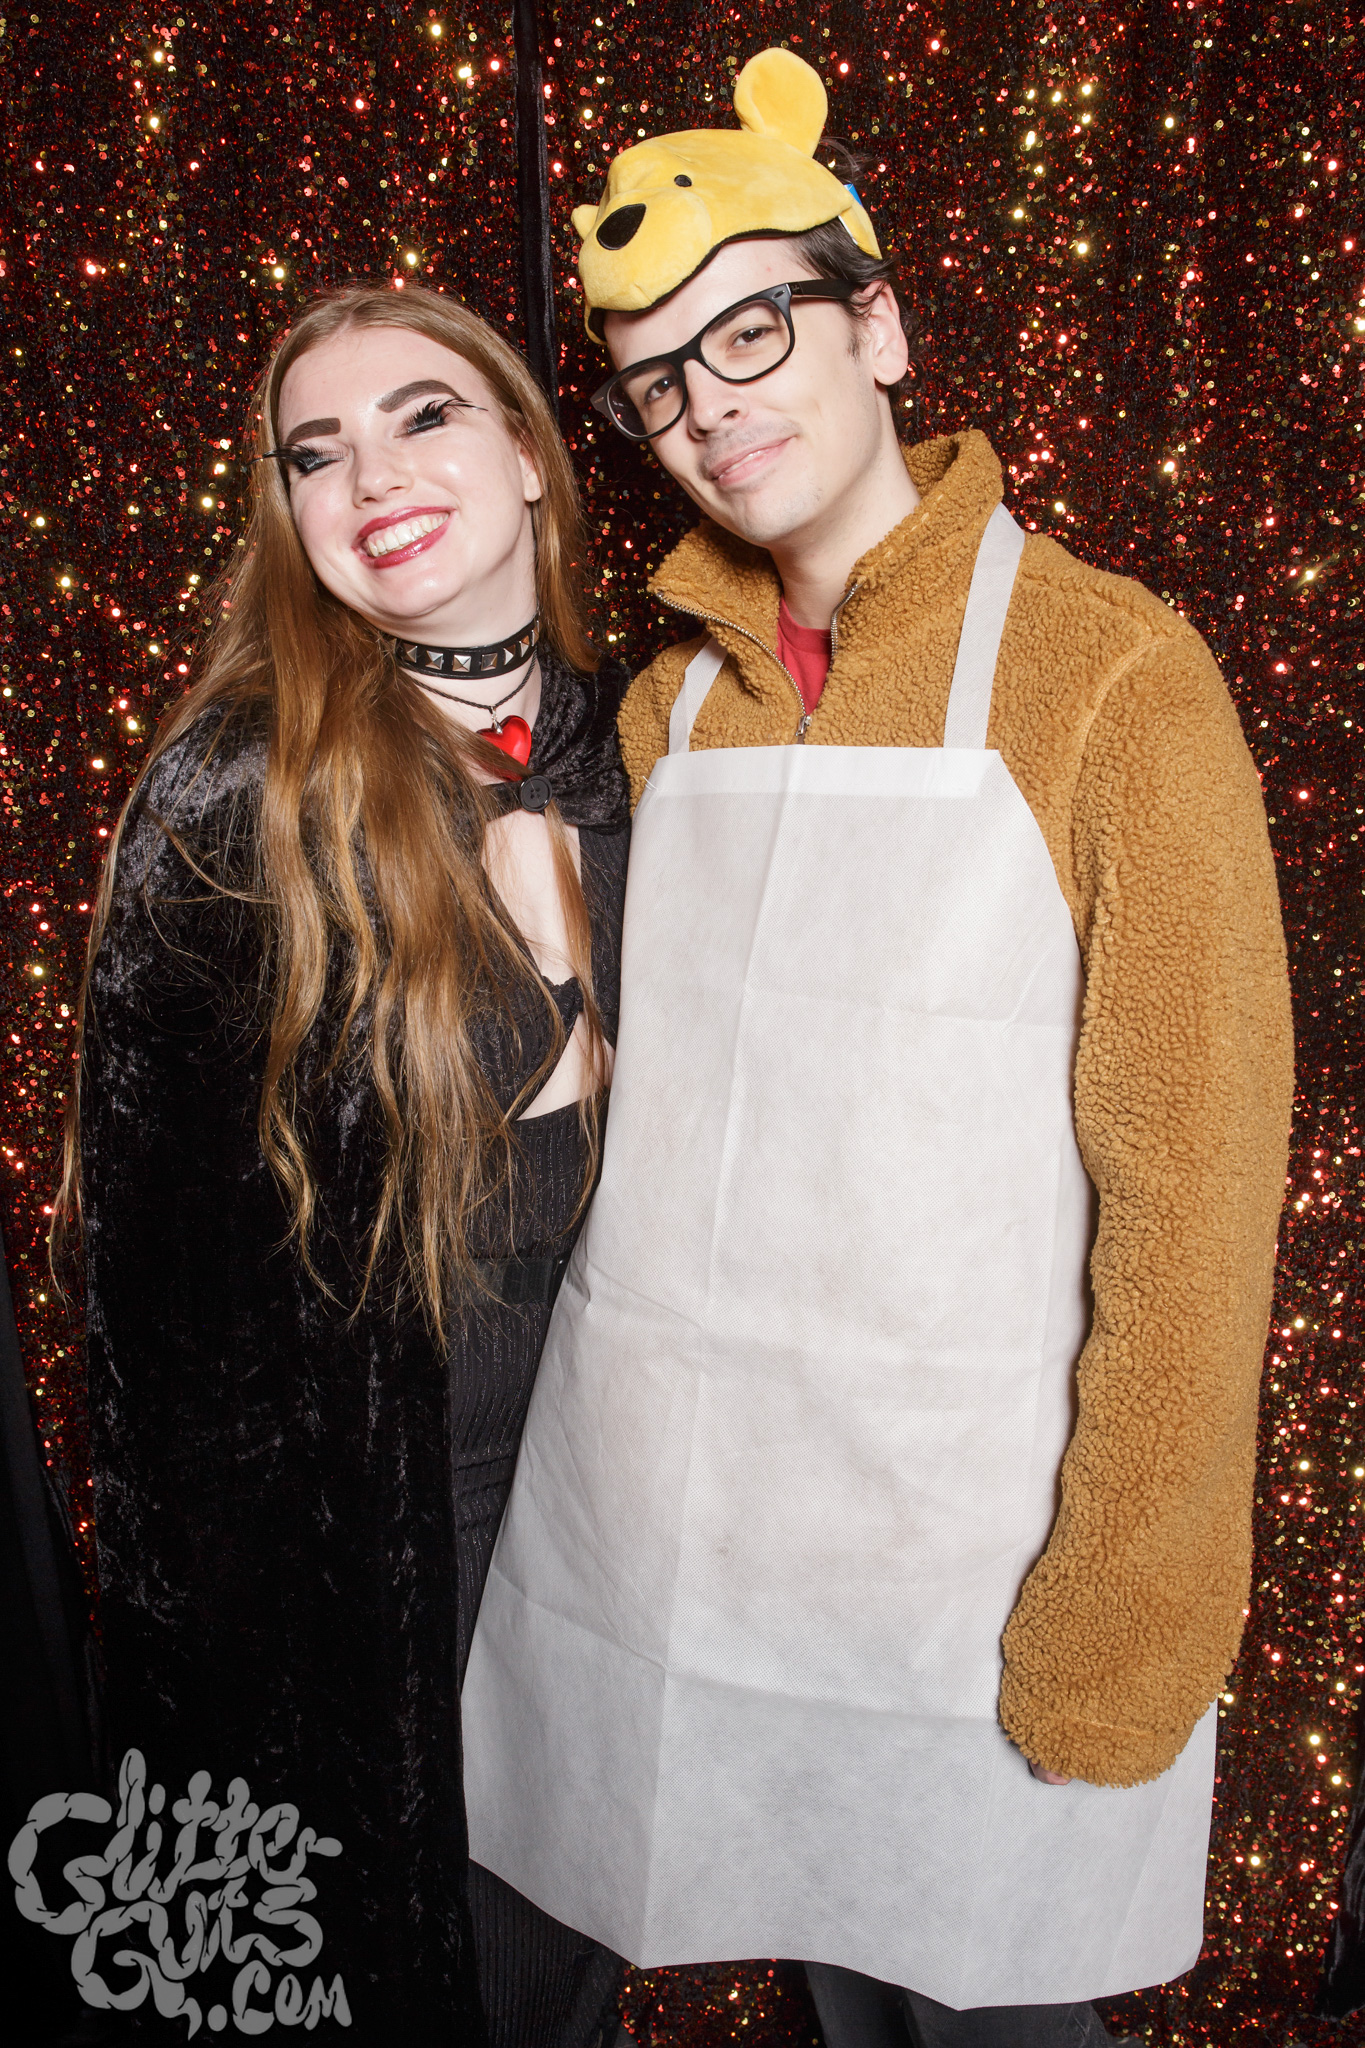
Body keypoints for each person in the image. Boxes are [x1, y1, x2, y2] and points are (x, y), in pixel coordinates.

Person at [460, 48, 1294, 2048]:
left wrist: (1127, 1603)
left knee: (975, 2009)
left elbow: (1193, 1188)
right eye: (656, 377)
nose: (707, 403)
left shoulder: (1115, 676)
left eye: (749, 329)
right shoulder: (668, 710)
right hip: (699, 1545)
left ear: (881, 327)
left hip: (970, 1569)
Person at [59, 284, 628, 2046]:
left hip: (637, 1507)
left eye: (422, 416)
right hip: (392, 1546)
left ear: (527, 454)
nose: (370, 474)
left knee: (569, 1981)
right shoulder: (239, 792)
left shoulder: (672, 740)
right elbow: (161, 1327)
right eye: (317, 452)